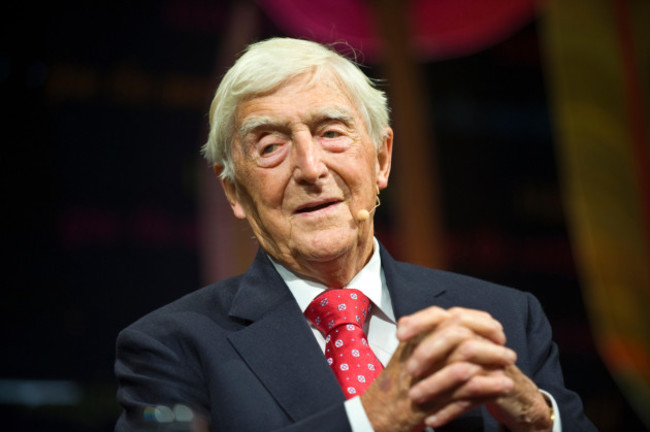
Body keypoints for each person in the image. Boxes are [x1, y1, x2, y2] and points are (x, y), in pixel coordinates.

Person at [114, 37, 596, 432]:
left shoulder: (506, 317)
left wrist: (538, 420)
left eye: (331, 132)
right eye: (270, 146)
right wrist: (372, 418)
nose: (310, 167)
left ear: (381, 159)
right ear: (234, 191)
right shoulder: (169, 349)